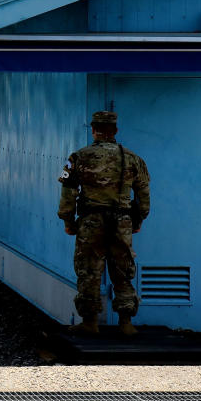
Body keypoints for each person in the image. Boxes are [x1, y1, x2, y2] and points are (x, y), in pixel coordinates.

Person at [58, 110, 151, 336]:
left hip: (91, 222)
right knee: (122, 269)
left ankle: (90, 322)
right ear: (115, 131)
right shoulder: (133, 158)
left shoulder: (77, 157)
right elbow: (144, 194)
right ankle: (126, 323)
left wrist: (68, 221)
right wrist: (137, 220)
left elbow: (68, 193)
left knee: (89, 270)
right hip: (121, 221)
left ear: (93, 130)